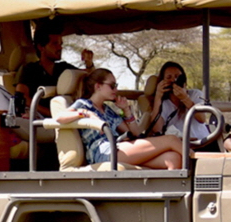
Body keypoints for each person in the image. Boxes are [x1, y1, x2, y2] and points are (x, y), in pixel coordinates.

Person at [56, 68, 187, 169]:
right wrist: (87, 114)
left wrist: (126, 110)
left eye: (116, 85)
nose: (116, 89)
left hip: (117, 147)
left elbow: (135, 133)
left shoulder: (108, 109)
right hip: (103, 152)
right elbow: (60, 118)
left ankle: (170, 201)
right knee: (171, 140)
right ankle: (199, 158)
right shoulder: (84, 104)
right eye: (112, 86)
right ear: (98, 86)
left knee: (173, 158)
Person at [16, 27, 79, 115]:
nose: (60, 48)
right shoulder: (30, 69)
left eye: (61, 44)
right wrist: (51, 114)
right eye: (55, 44)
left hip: (65, 118)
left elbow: (88, 78)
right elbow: (22, 98)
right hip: (39, 121)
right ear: (41, 47)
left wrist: (89, 63)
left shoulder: (64, 68)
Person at [144, 61, 210, 142]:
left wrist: (185, 98)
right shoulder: (164, 103)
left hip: (201, 141)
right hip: (179, 144)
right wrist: (158, 97)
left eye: (177, 77)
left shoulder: (195, 94)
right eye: (169, 77)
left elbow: (202, 118)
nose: (173, 80)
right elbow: (157, 129)